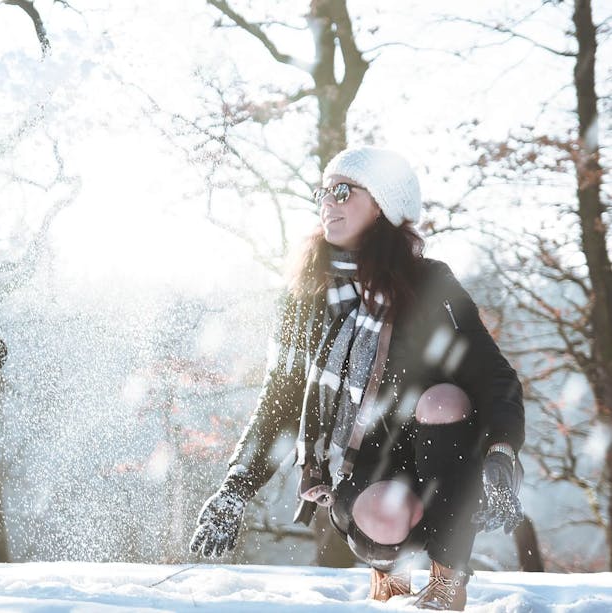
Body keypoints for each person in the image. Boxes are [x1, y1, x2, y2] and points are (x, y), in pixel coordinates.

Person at [189, 147, 525, 611]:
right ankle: (391, 580)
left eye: (343, 191)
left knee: (444, 399)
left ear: (385, 203)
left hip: (444, 466)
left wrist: (502, 454)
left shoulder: (429, 284)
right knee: (385, 515)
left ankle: (448, 584)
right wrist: (235, 488)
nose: (329, 202)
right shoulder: (307, 293)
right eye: (323, 192)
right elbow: (281, 400)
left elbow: (495, 377)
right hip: (362, 473)